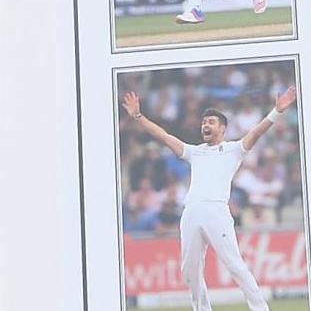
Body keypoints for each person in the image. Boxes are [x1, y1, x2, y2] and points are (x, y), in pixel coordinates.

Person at [121, 85, 297, 311]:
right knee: (190, 270)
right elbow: (163, 137)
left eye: (211, 122)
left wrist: (277, 111)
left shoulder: (234, 150)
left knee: (235, 266)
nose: (206, 125)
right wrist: (138, 116)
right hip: (191, 212)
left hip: (216, 212)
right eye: (204, 122)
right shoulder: (195, 151)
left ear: (223, 128)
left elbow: (256, 133)